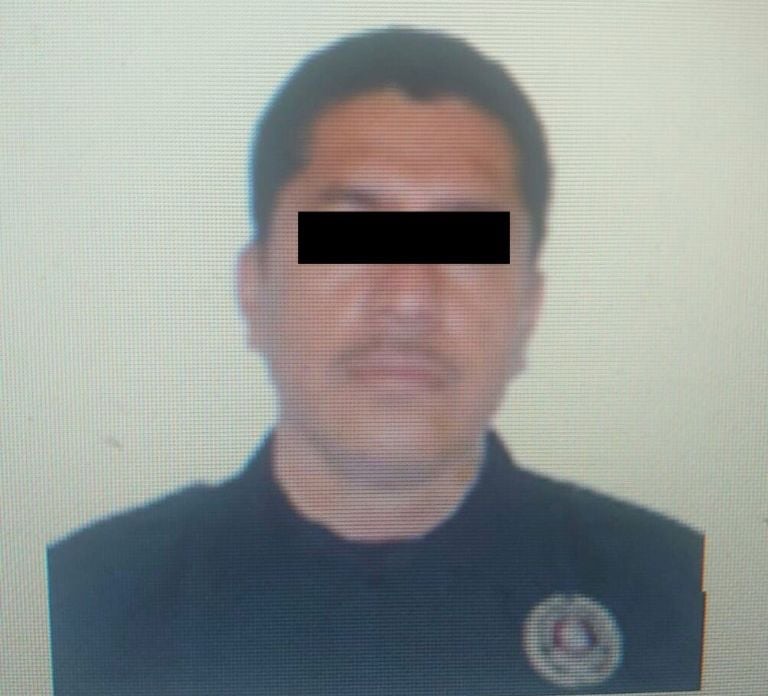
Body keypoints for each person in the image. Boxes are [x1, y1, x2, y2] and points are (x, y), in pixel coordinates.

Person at [47, 26, 705, 695]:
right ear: (255, 292)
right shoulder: (86, 607)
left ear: (527, 313)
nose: (409, 295)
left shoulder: (667, 596)